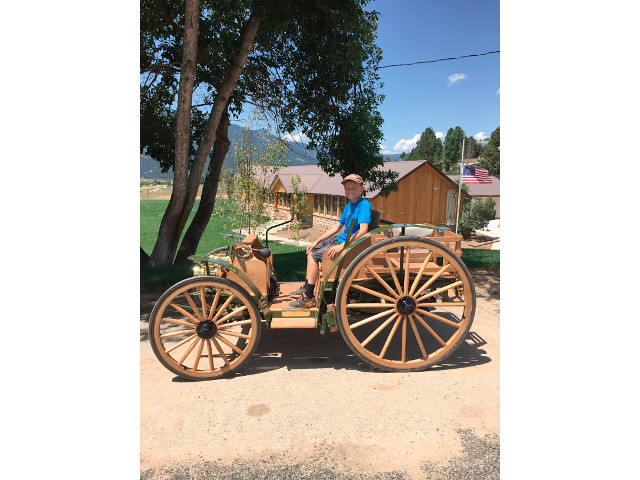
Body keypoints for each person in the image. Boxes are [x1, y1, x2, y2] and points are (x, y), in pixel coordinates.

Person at [289, 173, 372, 308]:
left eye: (353, 187)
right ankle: (307, 287)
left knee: (314, 255)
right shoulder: (349, 206)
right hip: (340, 239)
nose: (350, 191)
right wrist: (316, 241)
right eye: (347, 188)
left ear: (362, 187)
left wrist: (342, 247)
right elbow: (336, 227)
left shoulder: (364, 205)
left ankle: (309, 297)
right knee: (311, 250)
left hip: (347, 243)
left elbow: (363, 230)